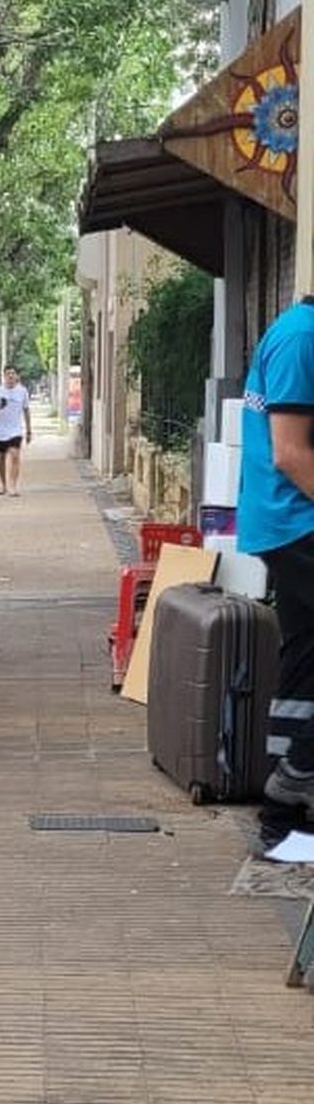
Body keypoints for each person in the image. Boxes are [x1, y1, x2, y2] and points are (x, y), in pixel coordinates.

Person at [239, 298, 314, 823]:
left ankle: (287, 786)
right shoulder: (303, 338)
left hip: (286, 520)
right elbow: (290, 452)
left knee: (306, 648)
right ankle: (296, 773)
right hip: (297, 519)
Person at [0, 365, 32, 496]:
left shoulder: (22, 391)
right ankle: (3, 485)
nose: (11, 376)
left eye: (13, 373)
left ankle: (13, 486)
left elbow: (26, 410)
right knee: (1, 459)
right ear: (4, 376)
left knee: (15, 456)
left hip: (15, 430)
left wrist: (29, 430)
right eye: (8, 374)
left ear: (16, 376)